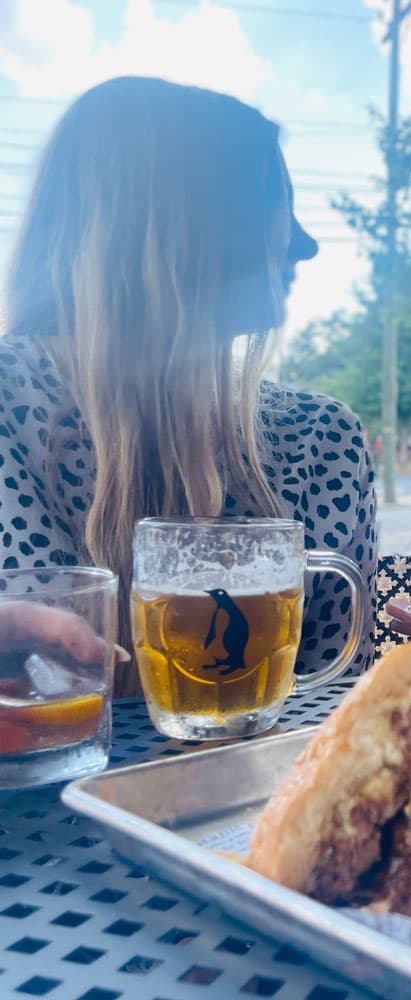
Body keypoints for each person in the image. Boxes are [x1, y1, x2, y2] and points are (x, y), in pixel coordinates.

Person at [0, 77, 378, 695]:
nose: (305, 245)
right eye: (273, 200)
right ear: (193, 225)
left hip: (260, 793)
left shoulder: (324, 438)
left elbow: (332, 710)